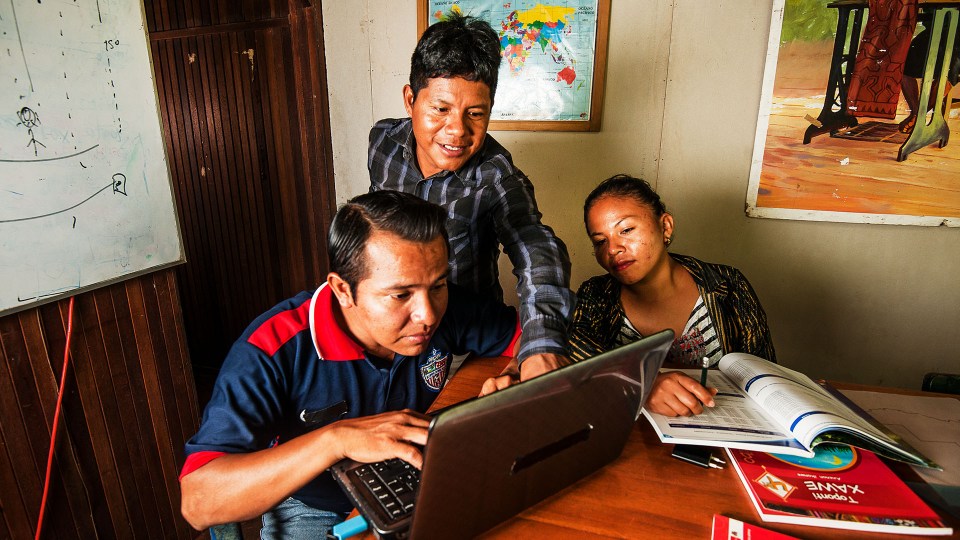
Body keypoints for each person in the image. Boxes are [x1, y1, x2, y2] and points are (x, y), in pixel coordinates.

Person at [179, 191, 522, 537]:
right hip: (316, 506)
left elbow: (530, 336)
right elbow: (198, 501)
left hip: (414, 475)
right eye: (400, 295)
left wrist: (513, 372)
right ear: (343, 289)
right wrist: (335, 440)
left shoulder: (440, 306)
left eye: (438, 285)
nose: (428, 315)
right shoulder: (272, 348)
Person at [368, 12, 574, 382]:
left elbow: (537, 249)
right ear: (410, 99)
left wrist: (542, 343)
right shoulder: (382, 142)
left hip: (462, 346)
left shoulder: (497, 176)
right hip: (389, 336)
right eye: (441, 109)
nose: (457, 131)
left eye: (475, 114)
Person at [568, 175, 776, 418]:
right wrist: (644, 383)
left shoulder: (727, 285)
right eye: (600, 241)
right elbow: (573, 351)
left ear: (665, 226)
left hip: (720, 434)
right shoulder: (596, 294)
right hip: (631, 438)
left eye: (626, 230)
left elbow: (766, 378)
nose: (613, 249)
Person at [899, 14, 960, 133]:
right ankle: (917, 114)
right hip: (934, 33)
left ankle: (918, 116)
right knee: (902, 66)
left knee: (949, 71)